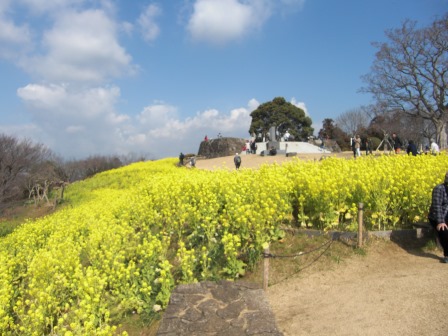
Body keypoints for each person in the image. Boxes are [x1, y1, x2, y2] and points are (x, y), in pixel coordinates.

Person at [428, 172, 448, 263]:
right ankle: (447, 254)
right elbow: (437, 206)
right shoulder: (439, 189)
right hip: (439, 216)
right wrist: (440, 221)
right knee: (444, 230)